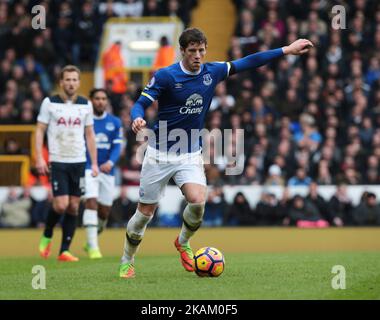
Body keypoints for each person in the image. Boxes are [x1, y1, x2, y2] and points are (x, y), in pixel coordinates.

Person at [119, 27, 313, 278]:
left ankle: (183, 242)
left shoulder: (213, 71)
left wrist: (286, 50)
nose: (198, 55)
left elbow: (248, 62)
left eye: (201, 50)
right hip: (159, 153)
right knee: (144, 214)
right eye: (192, 51)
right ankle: (127, 259)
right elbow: (140, 104)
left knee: (198, 202)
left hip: (189, 152)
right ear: (182, 51)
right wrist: (136, 119)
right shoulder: (166, 76)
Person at [36, 65, 98, 262]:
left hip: (78, 162)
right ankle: (47, 233)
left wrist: (94, 163)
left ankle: (64, 251)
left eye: (74, 80)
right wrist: (39, 157)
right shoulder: (49, 103)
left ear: (79, 83)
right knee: (61, 205)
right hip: (59, 160)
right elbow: (39, 130)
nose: (71, 83)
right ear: (61, 82)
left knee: (73, 206)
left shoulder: (85, 105)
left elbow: (90, 135)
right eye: (67, 80)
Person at [82, 88, 123, 259]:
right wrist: (92, 164)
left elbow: (117, 146)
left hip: (108, 170)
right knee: (91, 201)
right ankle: (93, 247)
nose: (100, 101)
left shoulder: (115, 122)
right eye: (97, 98)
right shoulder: (85, 121)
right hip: (89, 168)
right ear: (91, 100)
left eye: (103, 98)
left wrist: (110, 162)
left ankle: (91, 240)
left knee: (104, 211)